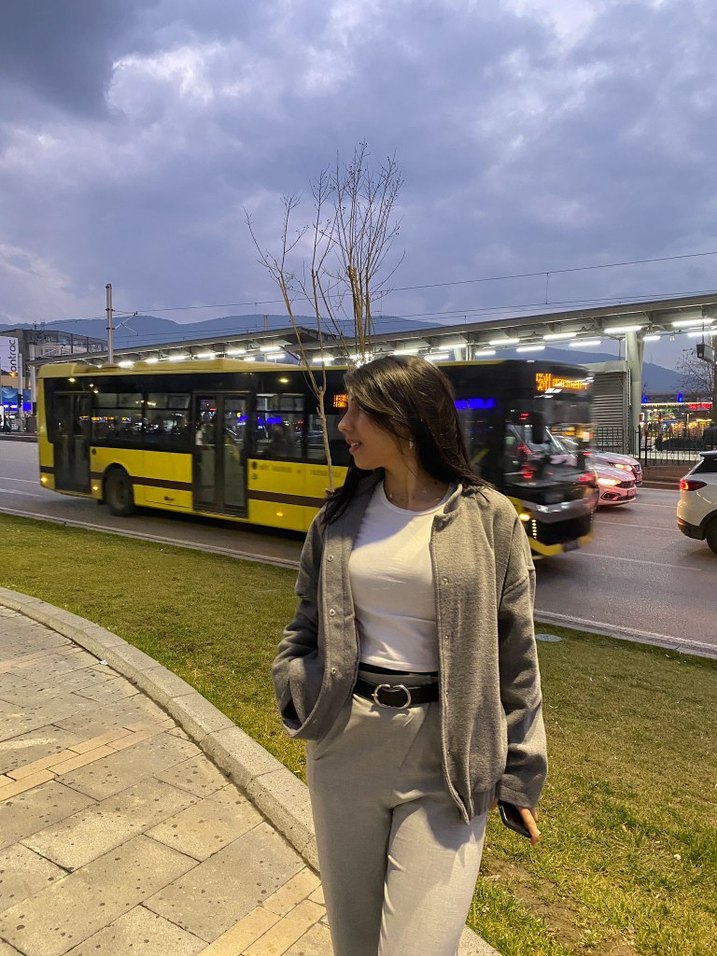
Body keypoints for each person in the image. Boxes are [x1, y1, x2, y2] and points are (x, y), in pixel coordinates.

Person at [272, 355, 547, 956]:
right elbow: (306, 621)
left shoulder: (489, 516)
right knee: (354, 943)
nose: (344, 425)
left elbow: (516, 653)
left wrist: (519, 773)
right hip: (346, 745)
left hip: (449, 753)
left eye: (360, 411)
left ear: (408, 418)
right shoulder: (338, 517)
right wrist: (295, 684)